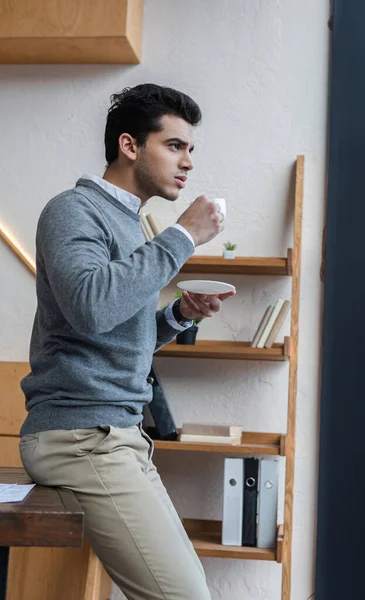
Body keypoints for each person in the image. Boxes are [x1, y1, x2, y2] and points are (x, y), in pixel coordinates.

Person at [19, 83, 235, 600]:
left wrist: (179, 314)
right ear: (130, 146)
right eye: (175, 146)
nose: (187, 163)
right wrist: (182, 236)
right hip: (81, 435)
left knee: (191, 589)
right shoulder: (74, 210)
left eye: (191, 150)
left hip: (118, 436)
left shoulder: (132, 224)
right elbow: (91, 308)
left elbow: (113, 334)